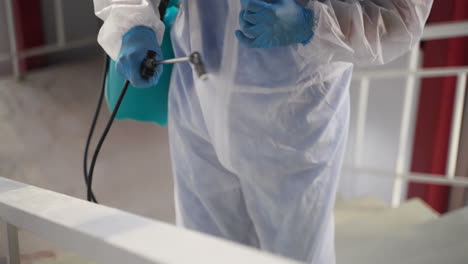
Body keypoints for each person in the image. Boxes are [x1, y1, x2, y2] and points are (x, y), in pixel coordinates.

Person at [93, 0, 433, 263]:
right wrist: (133, 23)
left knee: (295, 254)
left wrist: (311, 23)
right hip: (196, 101)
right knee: (202, 250)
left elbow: (401, 17)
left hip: (295, 124)